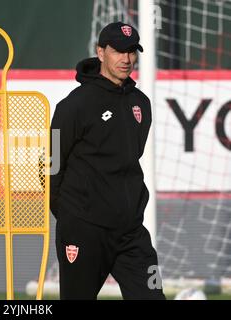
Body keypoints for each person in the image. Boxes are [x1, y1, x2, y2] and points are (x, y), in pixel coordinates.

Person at [50, 22, 165, 300]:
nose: (126, 59)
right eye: (118, 51)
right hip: (85, 230)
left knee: (153, 296)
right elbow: (52, 162)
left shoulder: (141, 103)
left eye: (131, 52)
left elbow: (129, 159)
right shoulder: (73, 105)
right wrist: (71, 216)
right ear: (100, 52)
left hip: (131, 233)